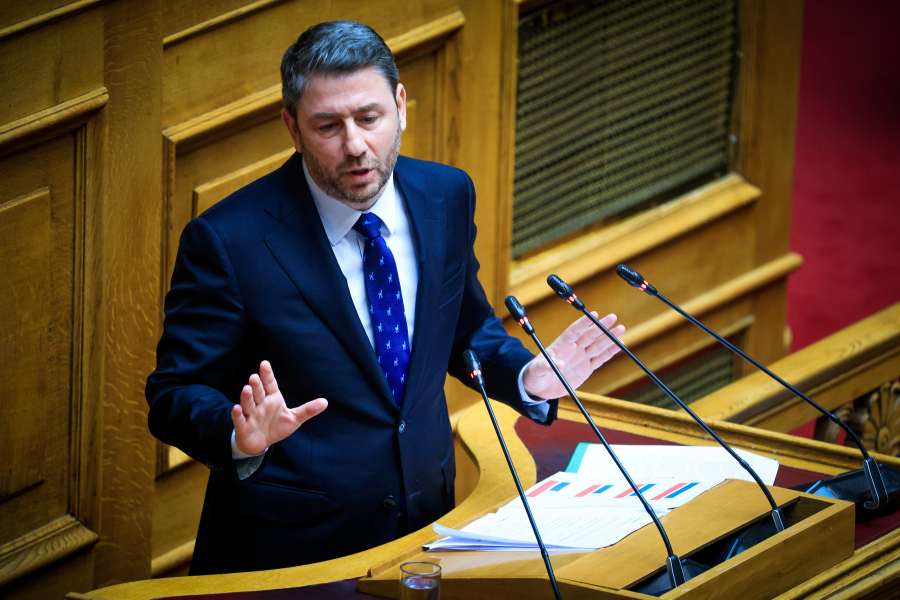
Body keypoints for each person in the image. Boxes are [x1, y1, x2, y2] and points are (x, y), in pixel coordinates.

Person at [145, 20, 625, 575]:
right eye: (328, 126)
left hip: (424, 525)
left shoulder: (446, 194)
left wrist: (526, 377)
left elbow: (464, 330)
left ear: (400, 105)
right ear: (293, 128)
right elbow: (173, 393)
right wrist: (237, 434)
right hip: (291, 552)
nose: (354, 145)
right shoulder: (229, 240)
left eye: (369, 118)